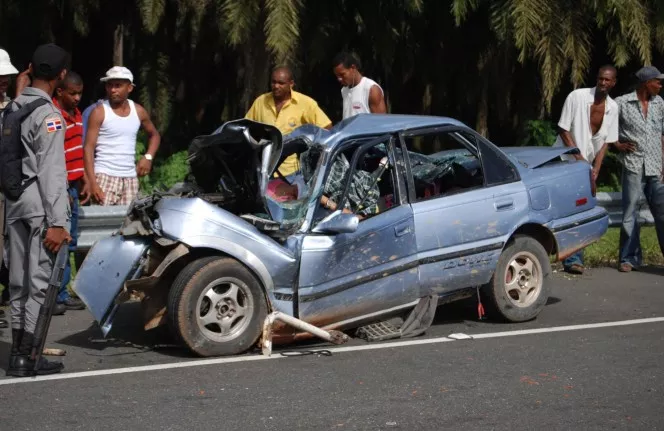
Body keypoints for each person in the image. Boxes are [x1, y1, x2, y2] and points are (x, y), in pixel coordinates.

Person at [4, 43, 72, 376]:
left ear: (30, 67)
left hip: (13, 204)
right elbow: (53, 173)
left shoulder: (11, 108)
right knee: (38, 283)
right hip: (39, 207)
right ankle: (28, 357)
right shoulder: (48, 116)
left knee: (17, 282)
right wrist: (58, 222)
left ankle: (16, 351)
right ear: (61, 76)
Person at [553, 65, 619, 274]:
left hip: (585, 166)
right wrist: (580, 159)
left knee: (582, 208)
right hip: (563, 161)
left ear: (613, 83)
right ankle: (561, 255)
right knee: (565, 208)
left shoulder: (613, 108)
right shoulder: (577, 97)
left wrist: (595, 170)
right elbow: (563, 129)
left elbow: (606, 142)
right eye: (600, 79)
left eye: (607, 80)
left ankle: (573, 258)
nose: (603, 83)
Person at [83, 66, 160, 206]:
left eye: (118, 86)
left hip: (130, 178)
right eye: (110, 85)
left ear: (129, 88)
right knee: (102, 224)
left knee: (128, 225)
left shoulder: (138, 111)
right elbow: (88, 147)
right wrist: (93, 182)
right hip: (104, 177)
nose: (113, 90)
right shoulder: (99, 112)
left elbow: (154, 135)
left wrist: (148, 157)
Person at [614, 66, 664, 273]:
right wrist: (617, 145)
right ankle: (629, 258)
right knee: (630, 212)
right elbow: (607, 130)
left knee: (662, 213)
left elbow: (662, 134)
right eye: (658, 82)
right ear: (646, 83)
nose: (661, 86)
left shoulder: (659, 103)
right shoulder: (621, 103)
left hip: (656, 166)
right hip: (633, 164)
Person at [245, 66, 332, 177]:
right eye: (273, 82)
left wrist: (312, 156)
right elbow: (246, 127)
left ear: (291, 84)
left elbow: (326, 128)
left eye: (281, 83)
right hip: (263, 169)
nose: (276, 86)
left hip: (292, 173)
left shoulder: (305, 103)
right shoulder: (260, 102)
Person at [52, 71, 88, 311]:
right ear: (60, 92)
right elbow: (55, 157)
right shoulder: (55, 116)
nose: (77, 98)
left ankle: (62, 293)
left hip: (74, 186)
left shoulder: (76, 115)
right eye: (72, 93)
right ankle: (54, 294)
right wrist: (62, 188)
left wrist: (83, 177)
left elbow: (77, 151)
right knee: (60, 241)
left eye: (80, 94)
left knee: (70, 240)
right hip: (60, 188)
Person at [0, 48, 20, 329]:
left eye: (6, 76)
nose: (3, 79)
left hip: (9, 191)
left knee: (8, 251)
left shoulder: (11, 107)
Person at [332, 52, 387, 120]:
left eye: (342, 74)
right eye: (337, 76)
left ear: (353, 67)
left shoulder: (371, 89)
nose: (339, 79)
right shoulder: (344, 90)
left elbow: (381, 122)